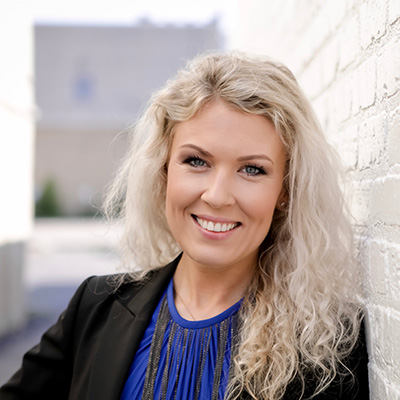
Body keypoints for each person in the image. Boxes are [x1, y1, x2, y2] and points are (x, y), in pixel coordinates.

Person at [0, 52, 369, 400]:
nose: (218, 195)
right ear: (164, 172)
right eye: (196, 161)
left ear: (285, 191)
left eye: (252, 169)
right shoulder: (94, 307)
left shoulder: (327, 346)